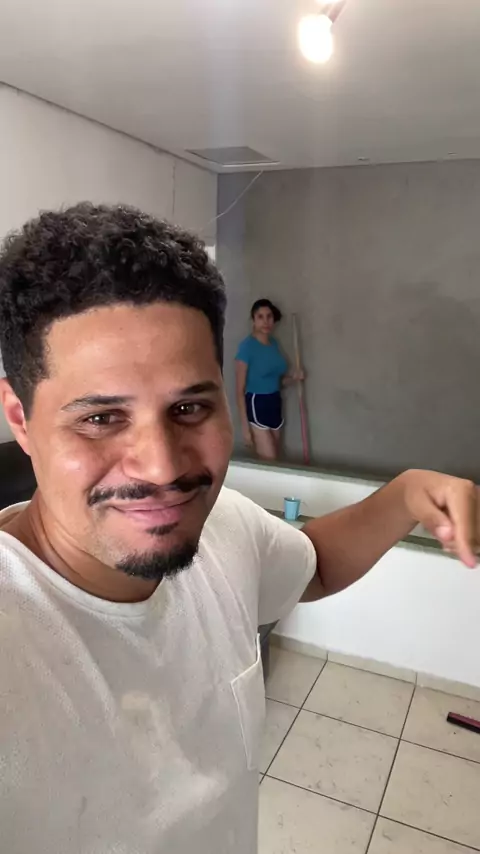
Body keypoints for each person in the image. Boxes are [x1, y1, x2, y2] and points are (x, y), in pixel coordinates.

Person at [0, 202, 477, 854]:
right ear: (20, 418)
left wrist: (405, 495)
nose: (163, 467)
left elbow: (311, 565)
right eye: (101, 418)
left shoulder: (223, 524)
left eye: (189, 407)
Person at [235, 298, 302, 460]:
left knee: (275, 460)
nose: (266, 321)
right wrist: (245, 428)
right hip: (257, 404)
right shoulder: (247, 347)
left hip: (275, 403)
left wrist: (294, 378)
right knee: (269, 460)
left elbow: (277, 381)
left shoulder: (274, 344)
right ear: (253, 320)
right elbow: (239, 390)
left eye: (269, 316)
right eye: (260, 317)